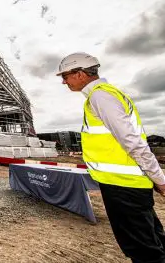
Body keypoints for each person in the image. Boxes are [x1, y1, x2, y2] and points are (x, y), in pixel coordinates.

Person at [57, 52, 165, 262]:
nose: (64, 81)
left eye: (65, 76)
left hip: (124, 186)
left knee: (143, 250)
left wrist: (160, 179)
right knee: (153, 239)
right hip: (125, 183)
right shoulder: (101, 96)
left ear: (80, 74)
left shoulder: (101, 96)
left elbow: (133, 142)